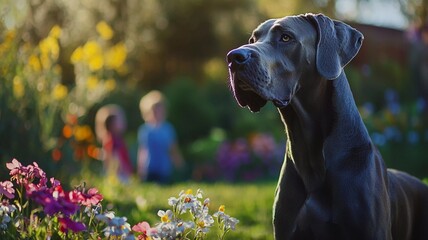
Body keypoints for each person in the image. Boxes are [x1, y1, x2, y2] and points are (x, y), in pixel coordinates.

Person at [137, 90, 183, 184]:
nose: (157, 113)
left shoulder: (168, 129)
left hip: (164, 169)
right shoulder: (145, 130)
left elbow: (173, 148)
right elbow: (143, 150)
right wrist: (140, 167)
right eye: (155, 110)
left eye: (160, 110)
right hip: (149, 168)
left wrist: (179, 164)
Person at [95, 104, 133, 182]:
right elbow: (114, 157)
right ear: (112, 124)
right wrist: (123, 169)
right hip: (119, 173)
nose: (123, 123)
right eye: (120, 121)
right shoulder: (112, 140)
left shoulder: (118, 138)